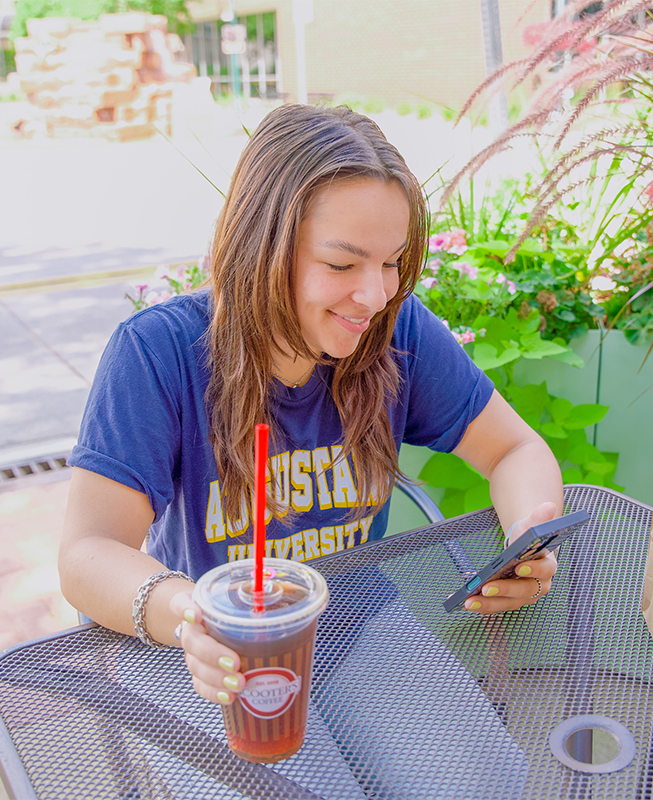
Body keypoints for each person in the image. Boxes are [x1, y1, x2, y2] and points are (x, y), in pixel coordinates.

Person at [58, 103, 564, 708]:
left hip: (358, 625)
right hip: (215, 648)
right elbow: (87, 554)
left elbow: (514, 448)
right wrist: (190, 616)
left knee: (485, 781)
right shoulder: (158, 353)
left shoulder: (398, 335)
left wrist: (529, 534)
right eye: (342, 264)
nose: (375, 294)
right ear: (261, 246)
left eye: (392, 262)